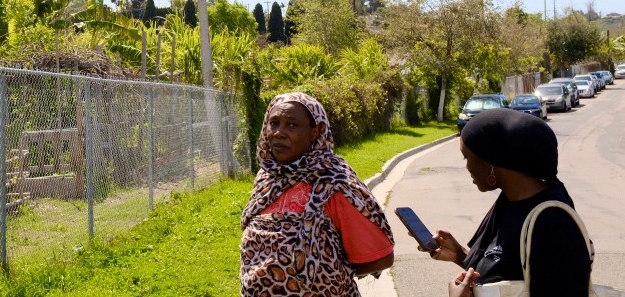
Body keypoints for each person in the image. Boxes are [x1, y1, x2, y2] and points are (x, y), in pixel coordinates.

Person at [240, 92, 395, 296]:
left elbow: (381, 257)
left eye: (292, 125)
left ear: (315, 133)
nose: (279, 132)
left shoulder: (335, 183)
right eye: (274, 123)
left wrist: (331, 275)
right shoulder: (267, 178)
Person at [429, 107, 591, 297]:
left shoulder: (553, 223)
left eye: (467, 158)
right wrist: (459, 254)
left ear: (491, 163)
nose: (466, 167)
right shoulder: (509, 202)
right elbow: (510, 272)